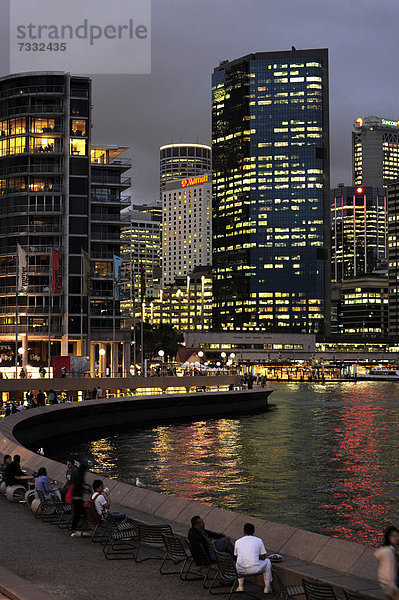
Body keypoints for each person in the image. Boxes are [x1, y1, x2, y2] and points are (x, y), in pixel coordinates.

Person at [234, 522, 272, 594]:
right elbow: (264, 557)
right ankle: (267, 587)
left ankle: (240, 586)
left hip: (240, 570)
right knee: (268, 562)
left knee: (240, 561)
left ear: (244, 531)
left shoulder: (237, 542)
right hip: (254, 569)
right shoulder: (259, 540)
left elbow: (236, 555)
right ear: (254, 531)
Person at [375, 526, 399, 600]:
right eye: (393, 536)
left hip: (385, 583)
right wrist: (393, 586)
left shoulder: (388, 550)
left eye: (397, 535)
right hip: (390, 584)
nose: (396, 538)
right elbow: (389, 570)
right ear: (388, 537)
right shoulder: (389, 552)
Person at [70, 463, 90, 537]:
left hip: (75, 498)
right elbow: (79, 487)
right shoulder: (80, 477)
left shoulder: (76, 475)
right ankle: (76, 528)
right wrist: (85, 488)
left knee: (79, 513)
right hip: (78, 498)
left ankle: (76, 527)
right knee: (79, 514)